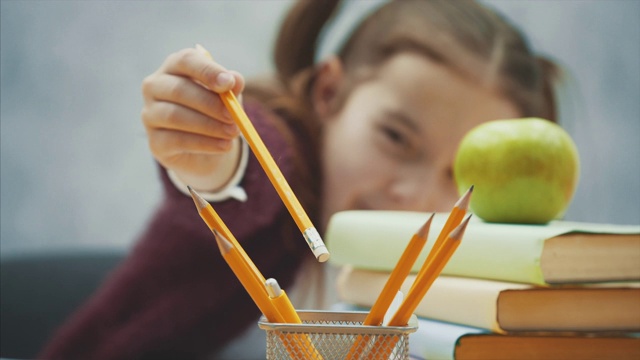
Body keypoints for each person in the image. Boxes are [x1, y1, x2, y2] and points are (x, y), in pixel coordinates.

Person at [40, 0, 559, 358]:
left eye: (458, 170)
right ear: (329, 93)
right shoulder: (284, 150)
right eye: (396, 138)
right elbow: (252, 166)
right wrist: (218, 161)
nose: (417, 196)